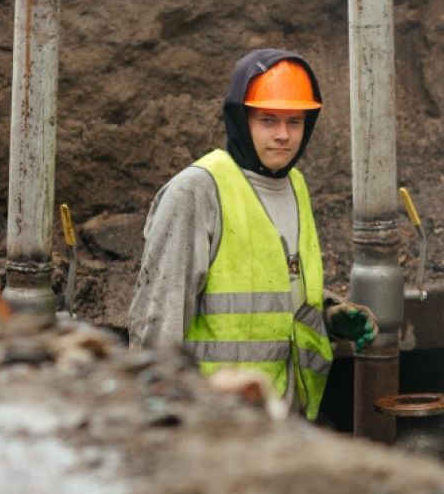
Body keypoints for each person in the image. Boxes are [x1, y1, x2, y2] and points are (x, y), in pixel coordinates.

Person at [128, 49, 376, 420]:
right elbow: (158, 323)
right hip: (213, 423)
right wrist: (160, 423)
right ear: (240, 119)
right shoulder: (197, 190)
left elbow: (275, 292)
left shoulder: (295, 185)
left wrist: (329, 315)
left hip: (283, 420)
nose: (283, 135)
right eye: (267, 120)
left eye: (295, 122)